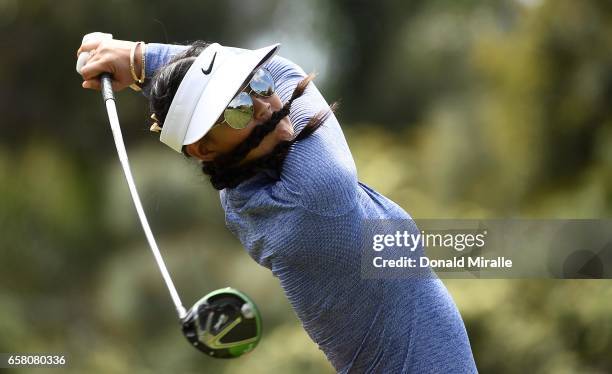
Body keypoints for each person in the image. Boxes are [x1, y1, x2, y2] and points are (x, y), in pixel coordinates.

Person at [77, 38, 478, 373]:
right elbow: (288, 71)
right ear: (205, 149)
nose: (266, 105)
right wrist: (139, 57)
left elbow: (272, 81)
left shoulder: (241, 191)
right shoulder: (317, 197)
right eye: (237, 110)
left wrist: (142, 63)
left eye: (257, 83)